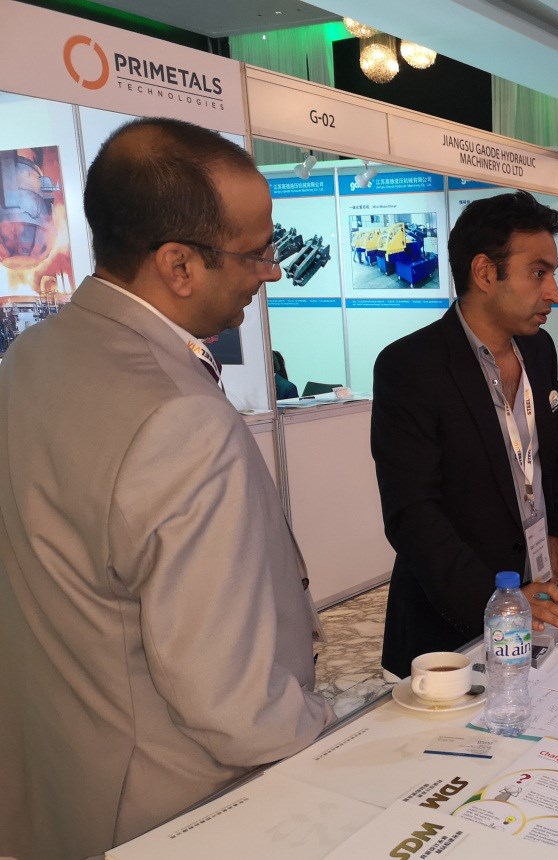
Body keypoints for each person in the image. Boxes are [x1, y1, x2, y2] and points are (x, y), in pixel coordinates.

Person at [0, 118, 332, 860]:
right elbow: (229, 699)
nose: (272, 273)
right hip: (174, 805)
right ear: (179, 265)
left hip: (62, 780)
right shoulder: (179, 418)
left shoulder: (32, 355)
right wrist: (331, 737)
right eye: (256, 253)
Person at [372, 190, 558, 680]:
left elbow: (554, 453)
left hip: (535, 606)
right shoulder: (411, 367)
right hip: (449, 632)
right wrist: (497, 601)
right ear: (485, 272)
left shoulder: (539, 351)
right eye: (539, 273)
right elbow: (412, 513)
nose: (554, 292)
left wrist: (557, 537)